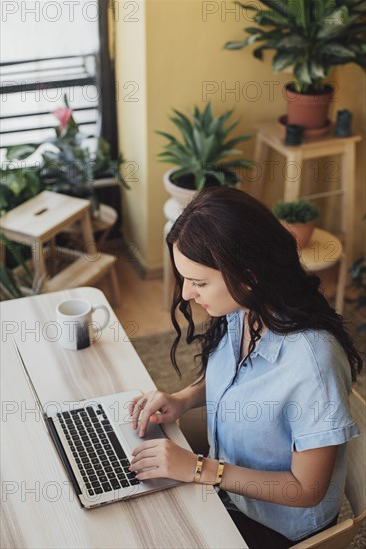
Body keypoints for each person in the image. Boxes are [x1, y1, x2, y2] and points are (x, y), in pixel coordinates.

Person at [128, 187, 363, 549]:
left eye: (199, 282)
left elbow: (308, 490)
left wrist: (198, 469)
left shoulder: (313, 362)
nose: (188, 295)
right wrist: (184, 398)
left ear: (248, 275)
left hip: (282, 528)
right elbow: (238, 375)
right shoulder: (243, 310)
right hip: (229, 490)